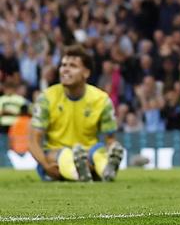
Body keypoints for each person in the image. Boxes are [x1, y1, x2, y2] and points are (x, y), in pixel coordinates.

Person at [28, 45, 125, 182]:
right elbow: (33, 140)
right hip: (56, 154)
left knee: (98, 151)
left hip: (88, 154)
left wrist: (111, 149)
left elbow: (110, 138)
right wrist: (46, 165)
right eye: (63, 65)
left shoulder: (101, 99)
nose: (65, 69)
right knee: (65, 154)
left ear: (86, 73)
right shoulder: (47, 98)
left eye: (73, 66)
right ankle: (81, 173)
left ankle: (105, 170)